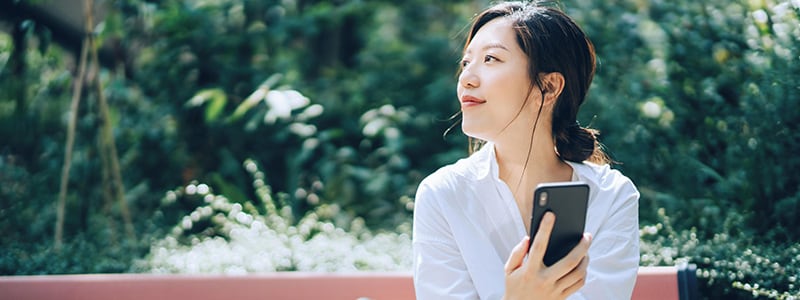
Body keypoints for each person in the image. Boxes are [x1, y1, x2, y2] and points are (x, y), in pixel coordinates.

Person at [412, 2, 640, 299]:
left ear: (548, 86)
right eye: (467, 63)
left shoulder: (611, 197)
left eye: (491, 59)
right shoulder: (443, 195)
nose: (466, 78)